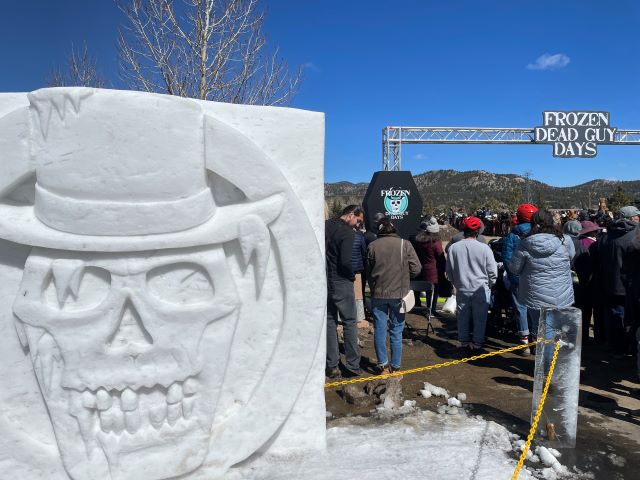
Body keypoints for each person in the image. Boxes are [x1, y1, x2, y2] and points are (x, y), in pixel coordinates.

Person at [507, 209, 575, 342]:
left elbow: (514, 269)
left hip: (535, 296)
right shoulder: (565, 240)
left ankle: (545, 360)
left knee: (541, 330)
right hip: (562, 294)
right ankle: (558, 360)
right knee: (559, 330)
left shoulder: (525, 243)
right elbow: (571, 259)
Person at [367, 218, 420, 374]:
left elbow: (368, 271)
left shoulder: (372, 246)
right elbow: (417, 268)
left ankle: (383, 365)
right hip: (399, 294)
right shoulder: (405, 245)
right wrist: (405, 277)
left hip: (378, 293)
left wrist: (374, 285)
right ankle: (395, 366)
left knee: (380, 330)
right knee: (396, 331)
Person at [445, 216, 497, 352]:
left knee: (462, 317)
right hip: (481, 288)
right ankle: (478, 343)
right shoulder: (484, 248)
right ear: (478, 231)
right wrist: (489, 284)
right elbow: (493, 271)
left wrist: (456, 283)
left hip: (462, 287)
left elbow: (449, 271)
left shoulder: (454, 248)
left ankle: (464, 342)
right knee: (480, 318)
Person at [325, 205, 365, 378]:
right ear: (350, 215)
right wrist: (351, 276)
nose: (358, 225)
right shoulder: (348, 232)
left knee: (329, 321)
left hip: (325, 280)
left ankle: (331, 365)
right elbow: (346, 261)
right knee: (349, 321)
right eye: (358, 220)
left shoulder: (325, 226)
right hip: (341, 280)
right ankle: (352, 365)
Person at [596, 205, 640, 355]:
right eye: (637, 216)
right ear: (632, 218)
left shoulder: (606, 236)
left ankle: (615, 347)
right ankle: (631, 349)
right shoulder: (635, 236)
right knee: (632, 320)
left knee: (613, 316)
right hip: (630, 285)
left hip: (609, 283)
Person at [502, 203, 538, 355]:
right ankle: (536, 340)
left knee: (520, 308)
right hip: (536, 279)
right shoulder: (539, 233)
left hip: (518, 279)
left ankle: (524, 342)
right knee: (536, 308)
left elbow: (507, 259)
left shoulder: (512, 235)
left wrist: (513, 278)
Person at [413, 216, 445, 315]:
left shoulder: (419, 241)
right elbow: (440, 257)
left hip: (421, 267)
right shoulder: (435, 243)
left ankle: (418, 306)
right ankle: (431, 310)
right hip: (433, 270)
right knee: (432, 292)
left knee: (421, 289)